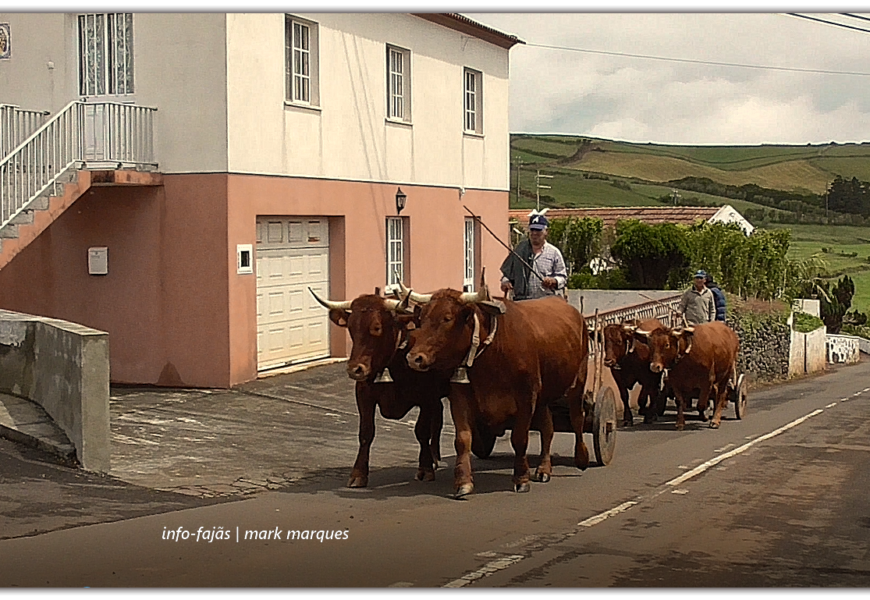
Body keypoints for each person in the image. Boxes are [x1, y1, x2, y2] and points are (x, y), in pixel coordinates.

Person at [500, 210, 567, 301]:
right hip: (521, 302)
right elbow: (507, 274)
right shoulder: (519, 250)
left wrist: (553, 281)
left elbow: (562, 278)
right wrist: (505, 282)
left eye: (538, 230)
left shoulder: (554, 253)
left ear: (546, 231)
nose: (534, 233)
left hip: (545, 303)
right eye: (532, 229)